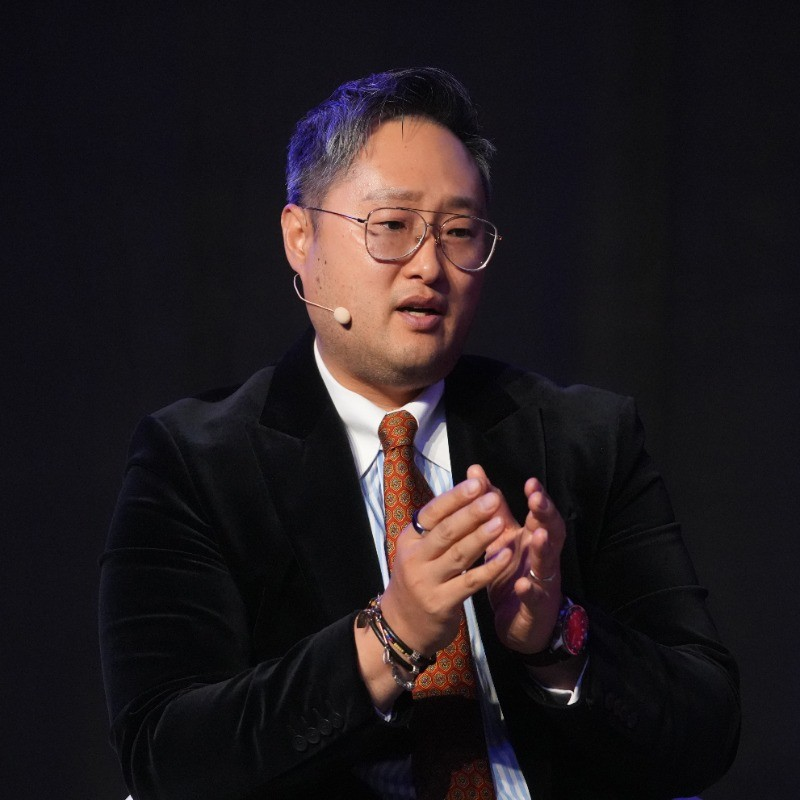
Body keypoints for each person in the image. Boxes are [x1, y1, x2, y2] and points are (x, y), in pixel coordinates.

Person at [99, 67, 740, 800]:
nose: (431, 266)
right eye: (393, 227)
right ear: (300, 237)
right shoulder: (195, 462)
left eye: (460, 232)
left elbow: (708, 727)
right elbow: (165, 757)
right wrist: (391, 635)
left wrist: (556, 636)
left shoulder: (584, 439)